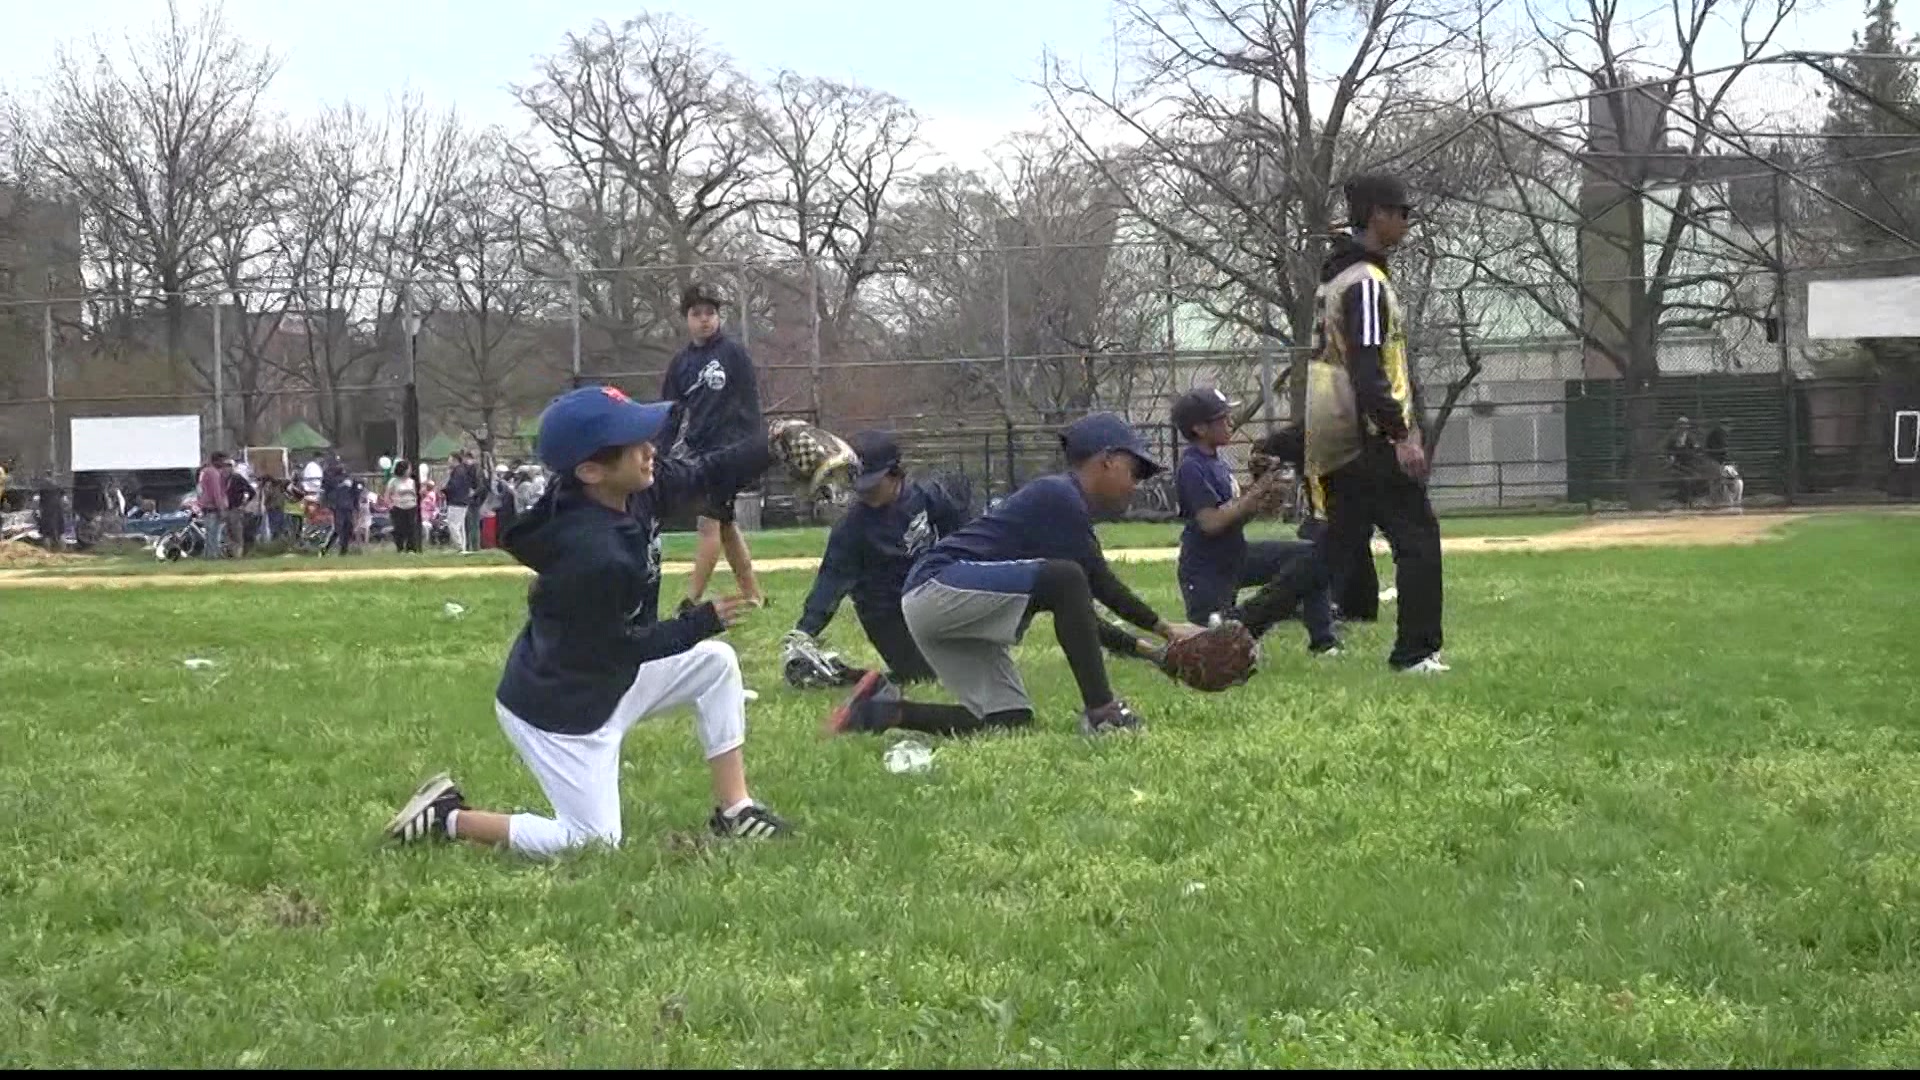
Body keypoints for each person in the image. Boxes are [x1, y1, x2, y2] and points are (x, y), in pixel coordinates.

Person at [384, 384, 792, 855]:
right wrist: (700, 621)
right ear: (591, 470)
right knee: (594, 843)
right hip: (562, 713)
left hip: (608, 680)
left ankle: (734, 809)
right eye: (634, 445)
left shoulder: (632, 489)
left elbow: (707, 472)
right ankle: (448, 818)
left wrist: (774, 442)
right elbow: (621, 647)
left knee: (715, 665)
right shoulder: (595, 555)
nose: (649, 451)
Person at [826, 413, 1201, 740]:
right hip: (937, 585)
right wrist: (1166, 629)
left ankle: (881, 711)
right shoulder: (1060, 496)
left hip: (936, 605)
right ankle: (1104, 713)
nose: (1136, 484)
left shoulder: (1062, 509)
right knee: (1069, 577)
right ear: (1106, 461)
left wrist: (1151, 652)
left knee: (1007, 720)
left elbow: (1079, 614)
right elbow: (1095, 582)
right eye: (1134, 470)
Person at [1306, 172, 1446, 674]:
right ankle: (1415, 652)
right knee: (1418, 542)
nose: (1407, 222)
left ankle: (1242, 626)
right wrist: (1398, 432)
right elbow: (1368, 368)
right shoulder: (1365, 284)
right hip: (1371, 438)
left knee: (1333, 550)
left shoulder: (1336, 277)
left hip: (1344, 433)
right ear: (1378, 215)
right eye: (1402, 212)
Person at [1171, 388, 1341, 656]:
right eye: (1222, 419)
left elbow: (1238, 513)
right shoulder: (1192, 466)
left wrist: (1267, 495)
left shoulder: (1217, 461)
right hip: (1207, 567)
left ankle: (1324, 641)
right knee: (1214, 644)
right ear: (1199, 428)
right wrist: (1257, 492)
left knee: (1311, 555)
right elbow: (1211, 523)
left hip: (1235, 554)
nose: (1230, 423)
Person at [661, 284, 767, 611]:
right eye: (697, 314)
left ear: (719, 317)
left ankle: (690, 600)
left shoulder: (733, 354)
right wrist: (659, 453)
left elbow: (751, 401)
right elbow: (671, 412)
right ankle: (753, 595)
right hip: (700, 453)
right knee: (725, 526)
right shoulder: (681, 363)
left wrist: (753, 448)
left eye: (711, 313)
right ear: (686, 319)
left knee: (708, 522)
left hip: (731, 452)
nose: (705, 320)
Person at [321, 455, 358, 556]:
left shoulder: (349, 478)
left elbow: (355, 492)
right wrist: (328, 504)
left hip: (348, 505)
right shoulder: (329, 477)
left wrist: (355, 505)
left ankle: (344, 551)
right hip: (337, 506)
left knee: (348, 527)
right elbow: (326, 491)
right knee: (338, 528)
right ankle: (325, 548)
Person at [386, 459, 421, 553]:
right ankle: (400, 548)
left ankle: (411, 549)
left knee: (411, 528)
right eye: (408, 468)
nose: (410, 470)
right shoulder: (393, 481)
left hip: (411, 507)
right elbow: (387, 495)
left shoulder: (412, 481)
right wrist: (390, 505)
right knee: (399, 529)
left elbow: (415, 494)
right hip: (398, 507)